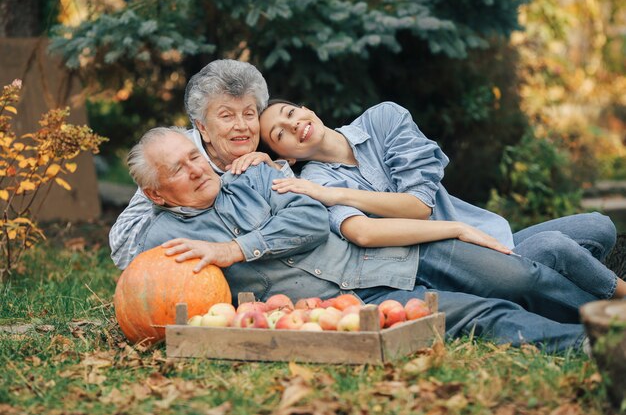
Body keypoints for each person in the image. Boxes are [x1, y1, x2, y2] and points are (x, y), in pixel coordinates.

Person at [125, 126, 588, 353]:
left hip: (386, 251)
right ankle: (594, 344)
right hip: (348, 307)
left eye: (194, 156)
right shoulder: (164, 241)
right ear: (155, 192)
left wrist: (234, 250)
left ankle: (610, 315)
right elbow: (151, 296)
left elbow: (308, 219)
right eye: (177, 169)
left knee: (517, 275)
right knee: (486, 314)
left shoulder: (253, 176)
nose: (196, 168)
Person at [257, 100, 625, 308]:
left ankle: (535, 284)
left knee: (599, 225)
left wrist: (339, 195)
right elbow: (363, 232)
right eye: (280, 135)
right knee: (555, 247)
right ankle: (612, 310)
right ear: (283, 154)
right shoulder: (312, 183)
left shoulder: (383, 119)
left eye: (290, 114)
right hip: (447, 265)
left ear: (304, 107)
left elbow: (420, 205)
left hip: (490, 236)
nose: (294, 127)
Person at [109, 59, 290, 269]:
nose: (242, 126)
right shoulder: (173, 153)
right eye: (227, 116)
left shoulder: (271, 141)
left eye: (249, 114)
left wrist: (276, 172)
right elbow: (122, 248)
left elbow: (304, 212)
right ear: (202, 127)